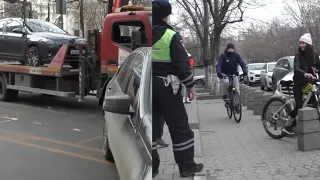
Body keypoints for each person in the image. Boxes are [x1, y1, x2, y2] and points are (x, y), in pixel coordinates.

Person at [152, 0, 204, 178]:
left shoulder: (142, 33)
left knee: (149, 129)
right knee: (180, 128)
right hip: (167, 88)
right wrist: (190, 85)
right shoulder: (170, 35)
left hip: (146, 88)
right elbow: (182, 65)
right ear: (166, 15)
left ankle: (152, 166)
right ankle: (186, 166)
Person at [283, 33, 320, 134]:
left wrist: (316, 71)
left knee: (313, 103)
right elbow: (296, 67)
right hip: (299, 83)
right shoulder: (298, 55)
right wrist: (305, 74)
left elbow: (318, 67)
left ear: (308, 44)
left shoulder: (314, 55)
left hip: (309, 83)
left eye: (303, 43)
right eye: (300, 43)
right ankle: (287, 126)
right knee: (299, 106)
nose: (301, 45)